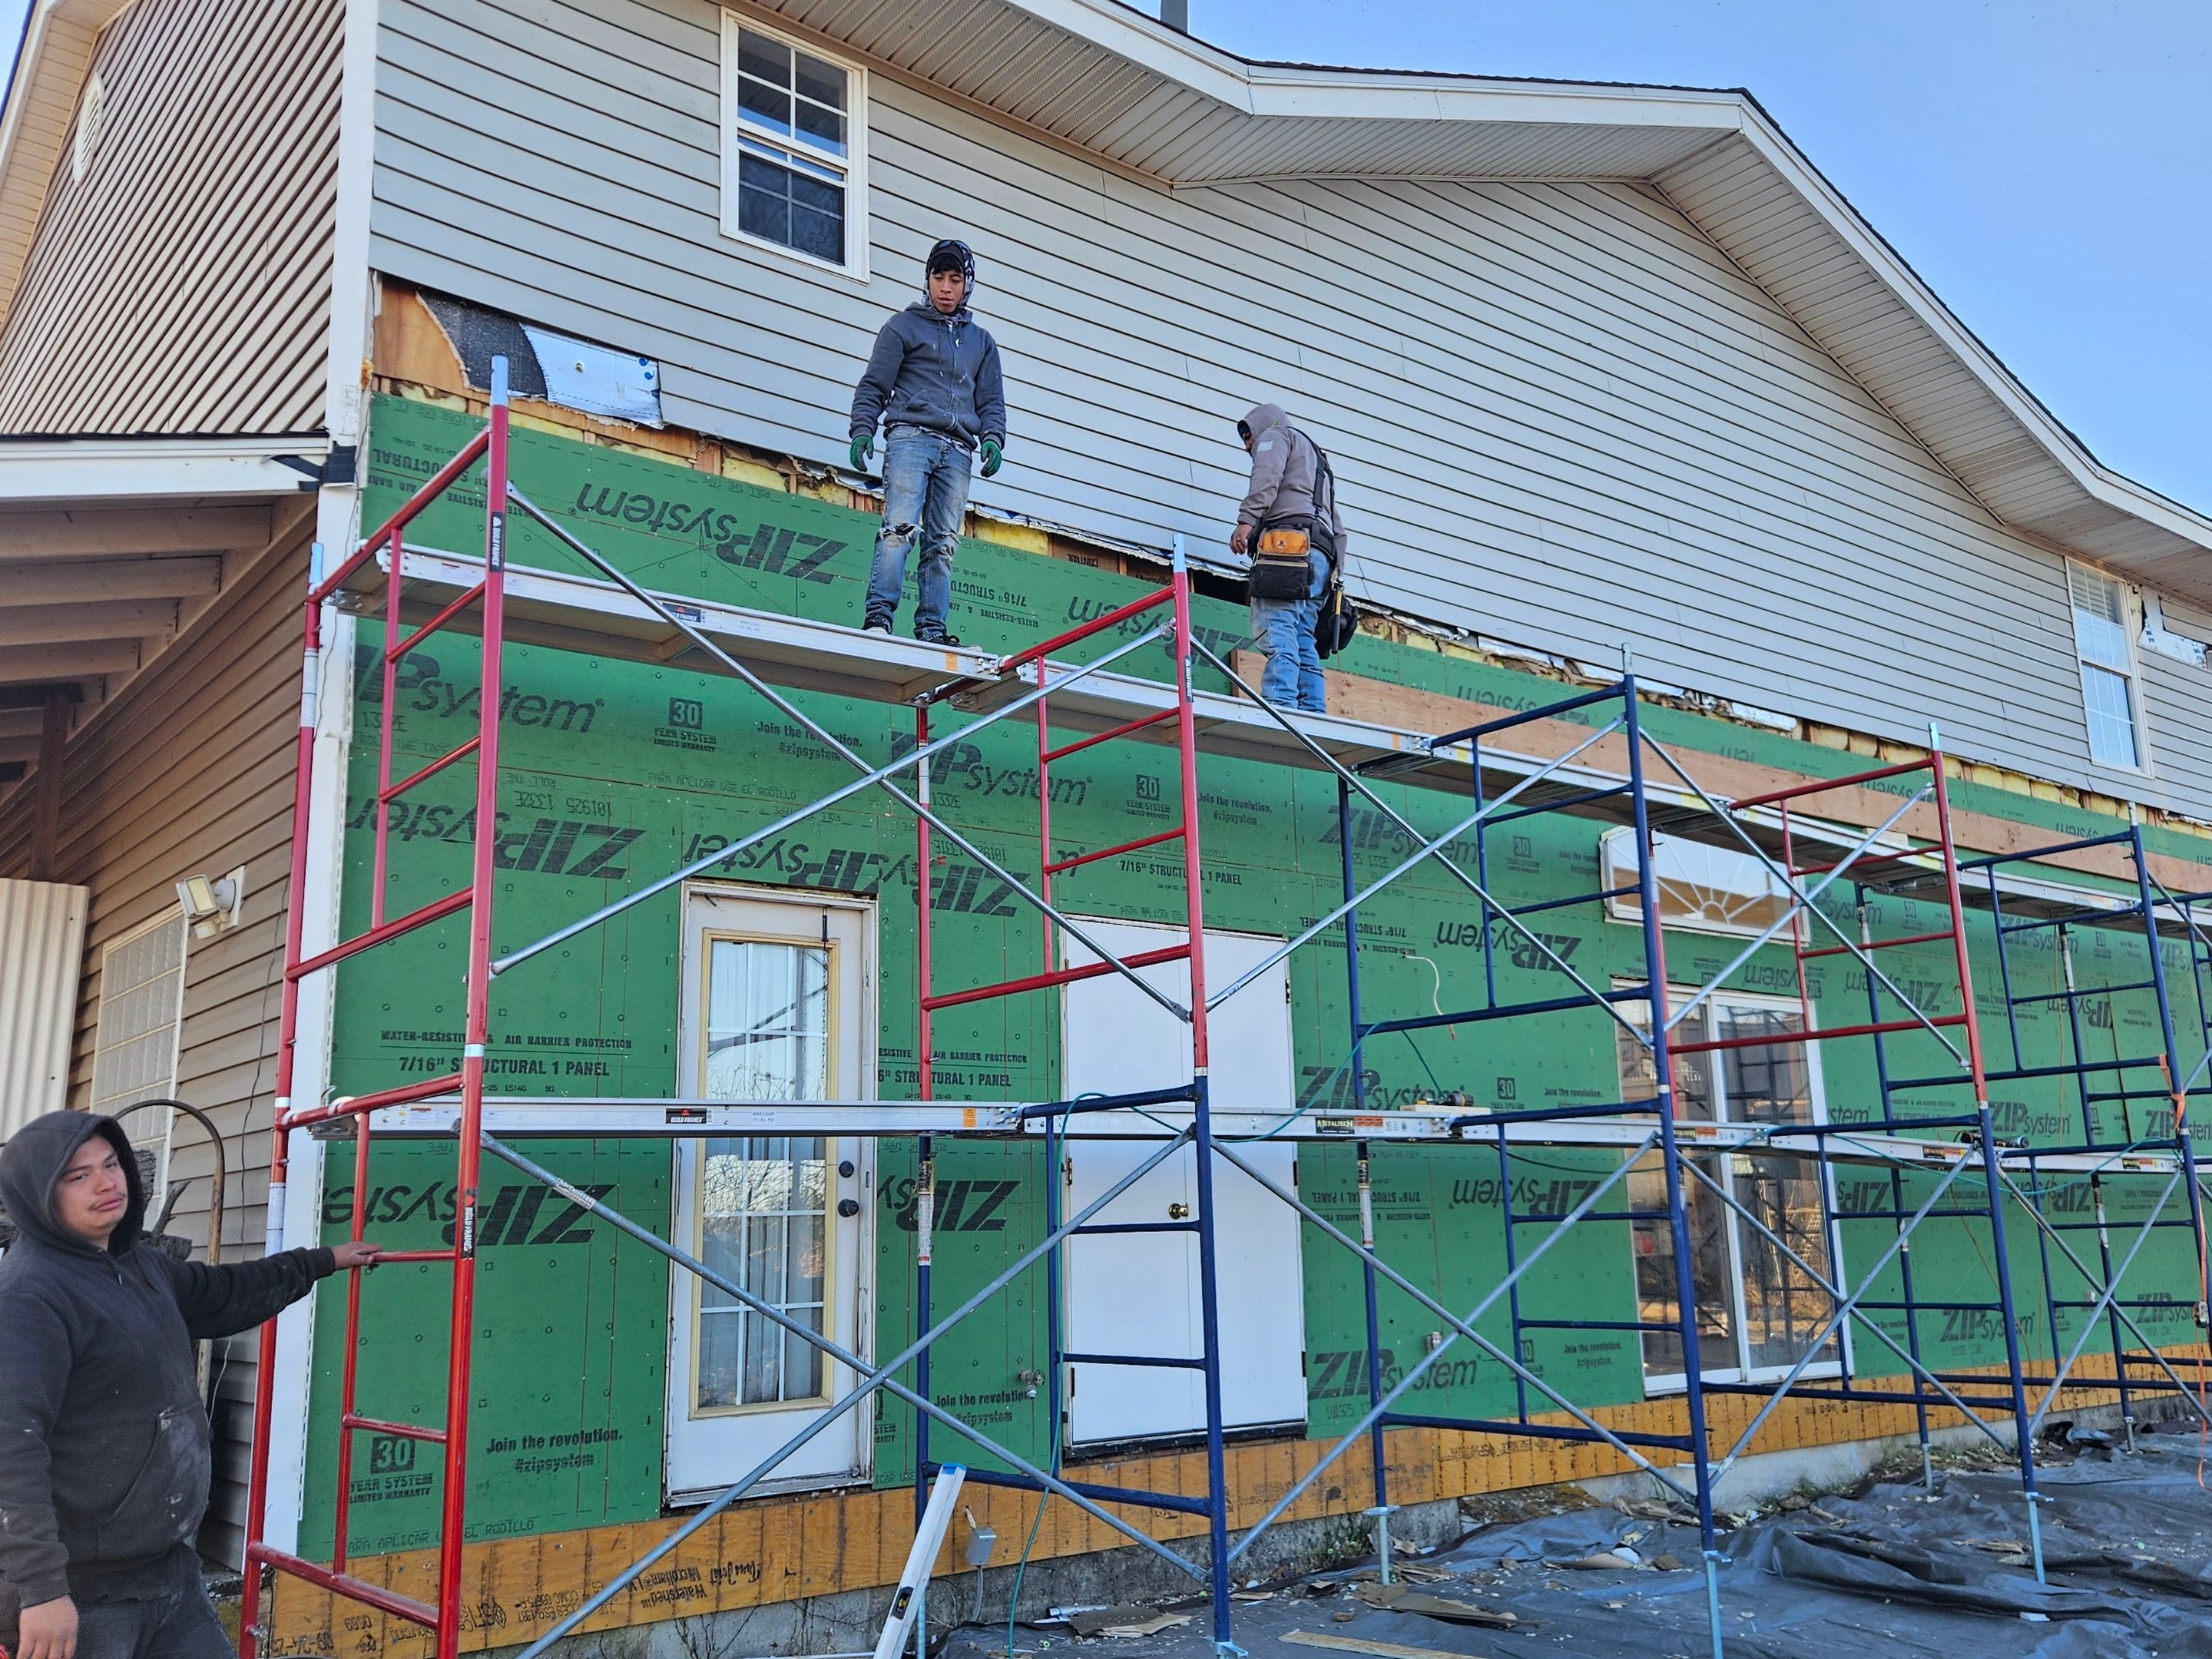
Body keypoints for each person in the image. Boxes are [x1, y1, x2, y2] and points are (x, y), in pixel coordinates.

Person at [0, 1111, 381, 1659]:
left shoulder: (140, 1266)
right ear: (37, 1194)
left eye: (112, 1165)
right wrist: (41, 1592)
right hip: (83, 1597)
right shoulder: (28, 1297)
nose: (106, 1184)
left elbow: (226, 1291)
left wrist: (324, 1260)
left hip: (170, 1572)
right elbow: (11, 1450)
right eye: (77, 1176)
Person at [847, 239, 1008, 647]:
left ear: (967, 285)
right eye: (939, 277)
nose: (946, 287)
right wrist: (862, 429)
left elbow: (991, 401)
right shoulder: (902, 326)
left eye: (955, 279)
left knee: (943, 543)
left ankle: (932, 630)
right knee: (899, 528)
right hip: (910, 439)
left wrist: (993, 438)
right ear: (928, 279)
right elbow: (874, 385)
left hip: (958, 450)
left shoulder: (982, 341)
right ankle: (879, 619)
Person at [1230, 402, 1345, 714]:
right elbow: (1339, 528)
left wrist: (1246, 521)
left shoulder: (1276, 435)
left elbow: (1266, 478)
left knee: (1277, 624)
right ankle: (1312, 710)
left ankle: (1279, 705)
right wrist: (1335, 573)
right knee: (1301, 635)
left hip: (1289, 547)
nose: (1248, 445)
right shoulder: (1319, 461)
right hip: (1322, 556)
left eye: (1248, 435)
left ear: (1264, 425)